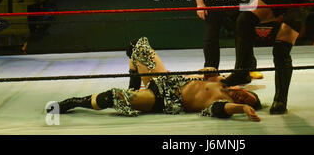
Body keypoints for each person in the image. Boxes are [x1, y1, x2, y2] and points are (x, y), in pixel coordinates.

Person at [51, 37, 261, 121]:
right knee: (137, 46)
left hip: (164, 99)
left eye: (243, 100)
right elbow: (209, 72)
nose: (242, 96)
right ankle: (134, 84)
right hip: (166, 79)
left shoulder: (220, 103)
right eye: (246, 96)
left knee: (113, 97)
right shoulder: (221, 81)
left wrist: (242, 109)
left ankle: (74, 102)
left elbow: (221, 111)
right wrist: (207, 70)